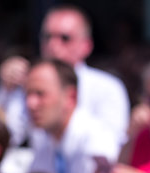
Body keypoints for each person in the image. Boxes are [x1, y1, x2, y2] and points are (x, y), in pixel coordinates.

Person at [25, 58, 120, 173]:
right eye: (27, 94)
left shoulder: (97, 141)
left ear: (71, 97)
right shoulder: (46, 143)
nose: (30, 103)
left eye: (40, 94)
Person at [39, 4, 130, 141]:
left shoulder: (107, 87)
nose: (52, 45)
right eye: (47, 37)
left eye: (65, 38)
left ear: (86, 45)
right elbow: (8, 136)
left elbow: (112, 143)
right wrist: (7, 90)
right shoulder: (29, 84)